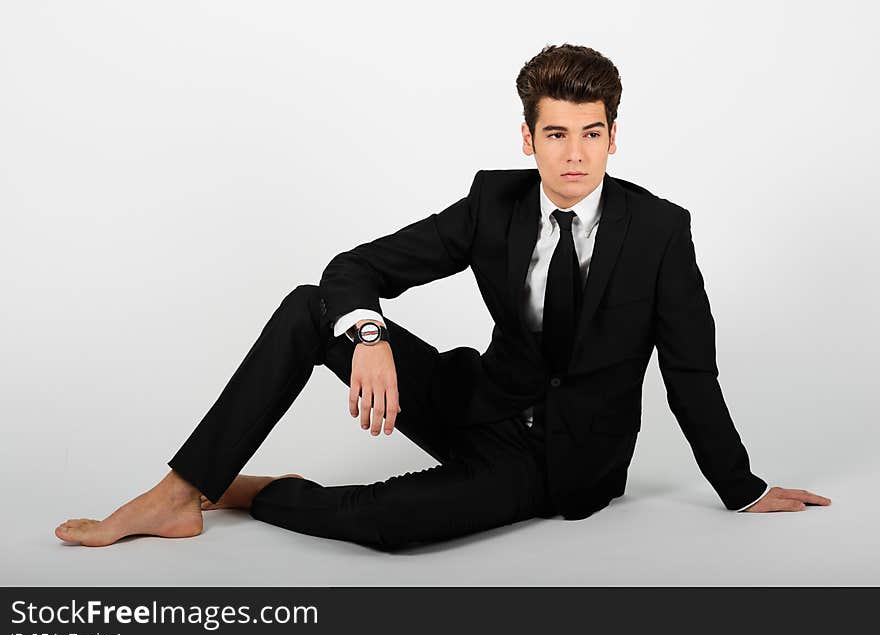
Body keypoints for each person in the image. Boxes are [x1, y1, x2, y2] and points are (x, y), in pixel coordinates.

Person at [54, 44, 830, 551]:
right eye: (555, 135)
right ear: (527, 139)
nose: (575, 155)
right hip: (473, 401)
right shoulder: (491, 204)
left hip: (552, 462)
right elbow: (352, 267)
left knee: (387, 525)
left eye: (591, 134)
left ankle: (253, 490)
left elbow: (692, 372)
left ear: (614, 136)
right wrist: (368, 337)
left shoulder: (660, 230)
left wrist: (744, 486)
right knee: (308, 305)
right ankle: (179, 490)